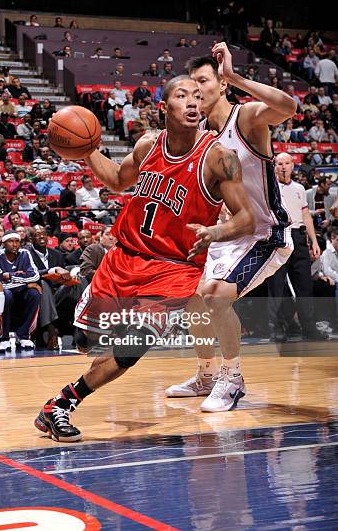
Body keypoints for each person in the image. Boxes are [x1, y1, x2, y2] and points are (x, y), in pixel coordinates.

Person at [34, 75, 255, 441]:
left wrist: (215, 232)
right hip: (123, 260)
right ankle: (64, 398)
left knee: (130, 349)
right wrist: (87, 148)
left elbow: (246, 218)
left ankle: (60, 404)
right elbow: (117, 182)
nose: (192, 103)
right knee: (89, 345)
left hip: (174, 271)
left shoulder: (219, 158)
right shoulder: (147, 146)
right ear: (162, 107)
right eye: (182, 95)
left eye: (198, 97)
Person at [166, 44, 295, 411]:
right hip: (228, 234)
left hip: (265, 231)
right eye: (188, 87)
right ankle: (206, 374)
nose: (194, 93)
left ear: (221, 85)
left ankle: (232, 378)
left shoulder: (247, 118)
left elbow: (288, 107)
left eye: (202, 82)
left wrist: (236, 76)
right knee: (192, 296)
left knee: (217, 296)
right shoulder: (200, 138)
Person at [268, 153, 325, 341]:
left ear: (293, 166)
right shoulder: (269, 186)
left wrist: (314, 241)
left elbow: (306, 216)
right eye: (279, 163)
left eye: (287, 163)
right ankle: (277, 328)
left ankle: (309, 327)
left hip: (299, 237)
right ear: (274, 166)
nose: (283, 167)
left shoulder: (300, 188)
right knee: (276, 285)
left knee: (304, 285)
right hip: (279, 236)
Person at [0, 231, 40, 350]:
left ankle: (23, 336)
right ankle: (4, 337)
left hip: (20, 291)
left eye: (17, 241)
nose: (14, 244)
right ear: (4, 243)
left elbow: (35, 276)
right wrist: (24, 281)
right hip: (5, 292)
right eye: (11, 241)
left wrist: (11, 276)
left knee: (35, 294)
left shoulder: (25, 253)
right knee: (5, 295)